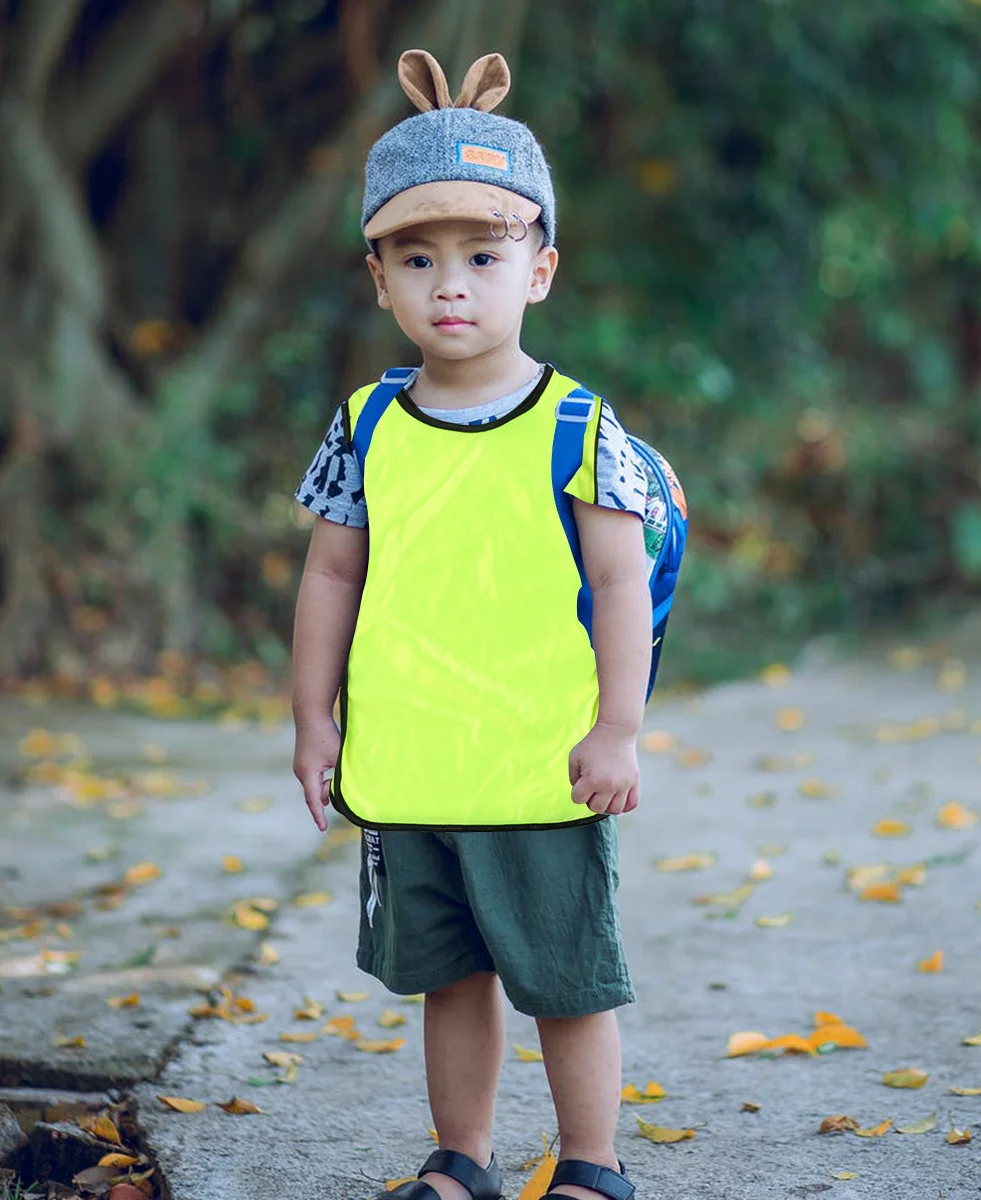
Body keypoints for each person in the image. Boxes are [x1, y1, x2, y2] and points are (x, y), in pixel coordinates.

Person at [290, 48, 650, 1200]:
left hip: (542, 766)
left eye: (483, 256)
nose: (452, 284)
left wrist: (620, 729)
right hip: (416, 767)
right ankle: (463, 1162)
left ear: (540, 270)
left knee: (568, 980)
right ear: (378, 279)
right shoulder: (366, 425)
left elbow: (622, 583)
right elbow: (332, 580)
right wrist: (313, 722)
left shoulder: (580, 427)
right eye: (418, 257)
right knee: (454, 978)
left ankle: (590, 1169)